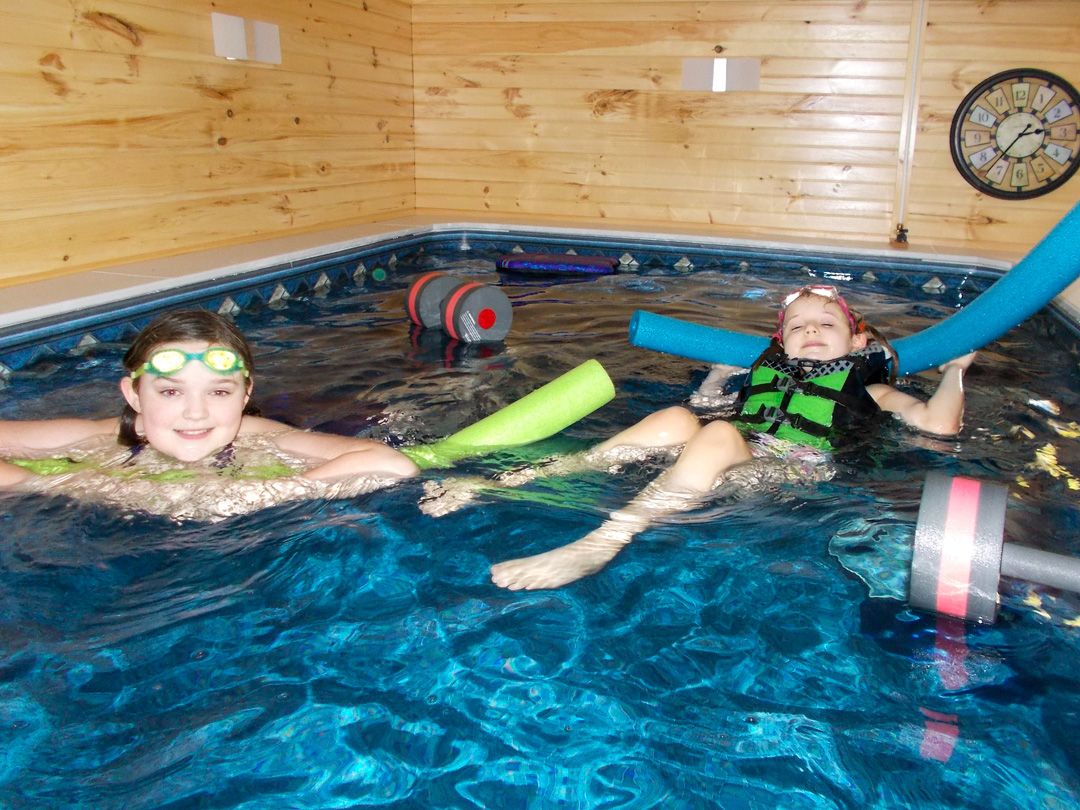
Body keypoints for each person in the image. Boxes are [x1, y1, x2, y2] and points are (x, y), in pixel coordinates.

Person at [483, 284, 976, 590]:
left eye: (827, 323)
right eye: (798, 326)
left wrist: (955, 372)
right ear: (780, 343)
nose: (812, 331)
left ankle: (605, 540)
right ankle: (527, 476)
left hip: (790, 473)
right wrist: (719, 378)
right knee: (678, 417)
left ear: (858, 343)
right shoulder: (764, 377)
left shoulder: (870, 389)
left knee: (716, 434)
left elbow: (938, 424)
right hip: (732, 453)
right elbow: (708, 411)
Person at [0, 309, 418, 519]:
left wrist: (257, 495)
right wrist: (73, 484)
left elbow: (389, 462)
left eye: (219, 391)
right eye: (169, 391)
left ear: (244, 394)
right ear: (134, 395)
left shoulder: (260, 437)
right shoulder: (99, 438)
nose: (195, 413)